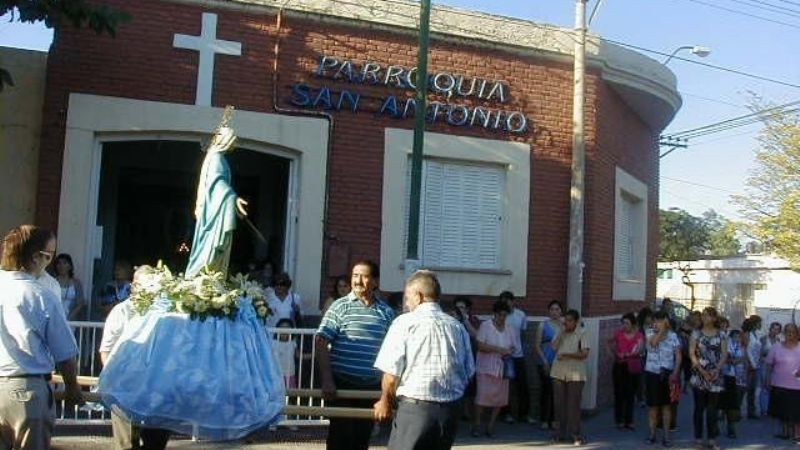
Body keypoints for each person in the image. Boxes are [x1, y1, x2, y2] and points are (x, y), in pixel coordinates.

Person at [0, 225, 83, 449]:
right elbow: (64, 351)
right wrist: (72, 388)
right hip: (26, 390)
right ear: (35, 257)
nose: (50, 263)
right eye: (49, 257)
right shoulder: (40, 294)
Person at [373, 270, 475, 450]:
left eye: (407, 298)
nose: (406, 303)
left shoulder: (404, 322)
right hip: (450, 411)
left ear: (418, 296)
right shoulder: (457, 326)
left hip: (415, 410)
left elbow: (390, 374)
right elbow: (469, 371)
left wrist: (385, 402)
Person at [316, 260, 395, 450]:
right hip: (341, 383)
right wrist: (327, 379)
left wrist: (387, 394)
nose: (358, 281)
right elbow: (321, 341)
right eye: (354, 275)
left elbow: (394, 352)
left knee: (362, 438)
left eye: (364, 276)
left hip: (370, 386)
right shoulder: (339, 306)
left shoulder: (386, 313)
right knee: (339, 438)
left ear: (375, 281)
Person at [99, 265, 172, 450]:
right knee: (126, 445)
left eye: (155, 286)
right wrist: (112, 381)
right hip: (124, 388)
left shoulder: (166, 314)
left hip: (157, 390)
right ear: (134, 286)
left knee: (156, 444)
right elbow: (106, 349)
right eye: (146, 286)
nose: (151, 291)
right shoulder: (121, 311)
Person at [185, 115, 249, 277]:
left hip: (217, 209)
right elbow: (217, 183)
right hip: (214, 214)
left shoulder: (218, 157)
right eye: (231, 140)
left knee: (216, 254)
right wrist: (233, 198)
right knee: (210, 248)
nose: (233, 144)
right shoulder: (216, 158)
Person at [472, 300, 518, 438]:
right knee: (482, 397)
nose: (502, 318)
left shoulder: (510, 329)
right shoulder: (486, 326)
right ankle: (477, 424)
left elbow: (514, 347)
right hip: (485, 368)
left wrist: (508, 351)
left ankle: (491, 425)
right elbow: (480, 346)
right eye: (500, 315)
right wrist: (499, 349)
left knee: (499, 399)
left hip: (502, 369)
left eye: (505, 315)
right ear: (494, 314)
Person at [688, 307, 728, 450]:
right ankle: (698, 439)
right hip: (700, 374)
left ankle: (712, 439)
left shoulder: (722, 334)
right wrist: (701, 370)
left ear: (714, 318)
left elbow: (724, 354)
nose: (705, 318)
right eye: (703, 315)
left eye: (708, 316)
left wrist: (717, 369)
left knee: (713, 409)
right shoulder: (696, 333)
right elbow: (691, 353)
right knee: (699, 408)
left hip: (715, 374)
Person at [550, 309, 590, 446]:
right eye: (565, 320)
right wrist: (561, 332)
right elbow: (554, 347)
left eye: (570, 320)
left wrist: (567, 355)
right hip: (558, 372)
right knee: (559, 404)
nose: (567, 323)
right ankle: (559, 433)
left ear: (576, 321)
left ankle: (576, 434)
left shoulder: (582, 333)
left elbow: (584, 353)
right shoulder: (561, 331)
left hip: (576, 373)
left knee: (573, 405)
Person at [644, 310, 682, 447]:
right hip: (652, 373)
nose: (658, 323)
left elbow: (678, 355)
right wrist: (661, 330)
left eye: (661, 321)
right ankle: (652, 434)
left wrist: (676, 372)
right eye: (657, 321)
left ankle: (666, 436)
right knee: (653, 407)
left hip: (667, 373)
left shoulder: (673, 336)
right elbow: (654, 343)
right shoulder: (649, 332)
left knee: (667, 406)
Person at [498, 291, 532, 425]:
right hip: (503, 355)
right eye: (503, 301)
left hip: (518, 354)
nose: (506, 303)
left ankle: (524, 414)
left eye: (508, 300)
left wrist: (519, 347)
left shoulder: (521, 315)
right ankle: (505, 413)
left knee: (522, 385)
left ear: (513, 301)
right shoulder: (499, 315)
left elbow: (523, 334)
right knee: (504, 386)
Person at [764, 323, 800, 441]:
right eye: (787, 331)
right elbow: (769, 365)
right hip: (779, 384)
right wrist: (767, 379)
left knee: (796, 411)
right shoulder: (776, 347)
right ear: (784, 333)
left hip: (797, 386)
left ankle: (796, 434)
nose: (790, 334)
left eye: (793, 332)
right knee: (782, 410)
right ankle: (785, 432)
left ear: (797, 334)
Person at [609, 312, 644, 430]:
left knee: (630, 394)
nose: (624, 325)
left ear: (633, 324)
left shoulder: (638, 335)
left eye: (627, 323)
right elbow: (608, 342)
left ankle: (629, 420)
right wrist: (613, 353)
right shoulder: (618, 334)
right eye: (623, 323)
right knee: (619, 394)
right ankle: (619, 420)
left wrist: (629, 354)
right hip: (620, 366)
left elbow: (640, 349)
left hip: (633, 367)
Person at [534, 300, 562, 430]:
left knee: (557, 391)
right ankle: (544, 419)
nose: (554, 312)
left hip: (560, 362)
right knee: (546, 390)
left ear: (561, 311)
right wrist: (544, 361)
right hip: (545, 361)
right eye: (552, 309)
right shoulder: (543, 325)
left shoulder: (564, 325)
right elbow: (537, 345)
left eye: (557, 309)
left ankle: (555, 418)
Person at [452, 295, 481, 420]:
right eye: (457, 307)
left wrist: (465, 320)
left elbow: (476, 335)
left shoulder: (473, 319)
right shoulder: (451, 320)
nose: (460, 309)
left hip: (470, 356)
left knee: (470, 385)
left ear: (467, 309)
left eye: (462, 307)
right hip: (455, 357)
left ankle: (468, 412)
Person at [720, 329, 747, 438]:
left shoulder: (742, 346)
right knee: (730, 403)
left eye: (739, 336)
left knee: (737, 402)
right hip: (727, 376)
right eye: (735, 336)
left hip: (739, 378)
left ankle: (732, 423)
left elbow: (745, 359)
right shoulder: (728, 344)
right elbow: (728, 359)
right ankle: (730, 427)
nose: (738, 338)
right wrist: (738, 360)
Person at [51, 253, 86, 320]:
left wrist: (69, 317)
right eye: (59, 263)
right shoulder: (52, 282)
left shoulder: (76, 283)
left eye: (65, 263)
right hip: (54, 319)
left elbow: (80, 303)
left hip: (71, 321)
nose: (62, 266)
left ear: (70, 266)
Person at [760, 321, 783, 417]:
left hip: (775, 367)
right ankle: (764, 410)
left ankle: (771, 409)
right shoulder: (764, 339)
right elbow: (759, 353)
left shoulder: (779, 341)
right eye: (774, 328)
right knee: (765, 387)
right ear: (770, 328)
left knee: (773, 388)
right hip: (765, 365)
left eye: (777, 329)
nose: (775, 331)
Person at [743, 317, 763, 419]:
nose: (761, 324)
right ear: (755, 323)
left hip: (756, 365)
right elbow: (746, 350)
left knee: (752, 389)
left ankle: (751, 411)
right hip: (748, 365)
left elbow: (759, 349)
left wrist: (757, 362)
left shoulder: (757, 334)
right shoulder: (747, 334)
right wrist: (750, 363)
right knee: (743, 389)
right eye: (760, 322)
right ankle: (733, 411)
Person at [272, 318, 299, 390]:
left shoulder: (293, 343)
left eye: (287, 329)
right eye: (282, 329)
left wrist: (313, 355)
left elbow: (298, 355)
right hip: (276, 373)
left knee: (290, 392)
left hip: (289, 373)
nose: (284, 331)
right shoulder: (273, 342)